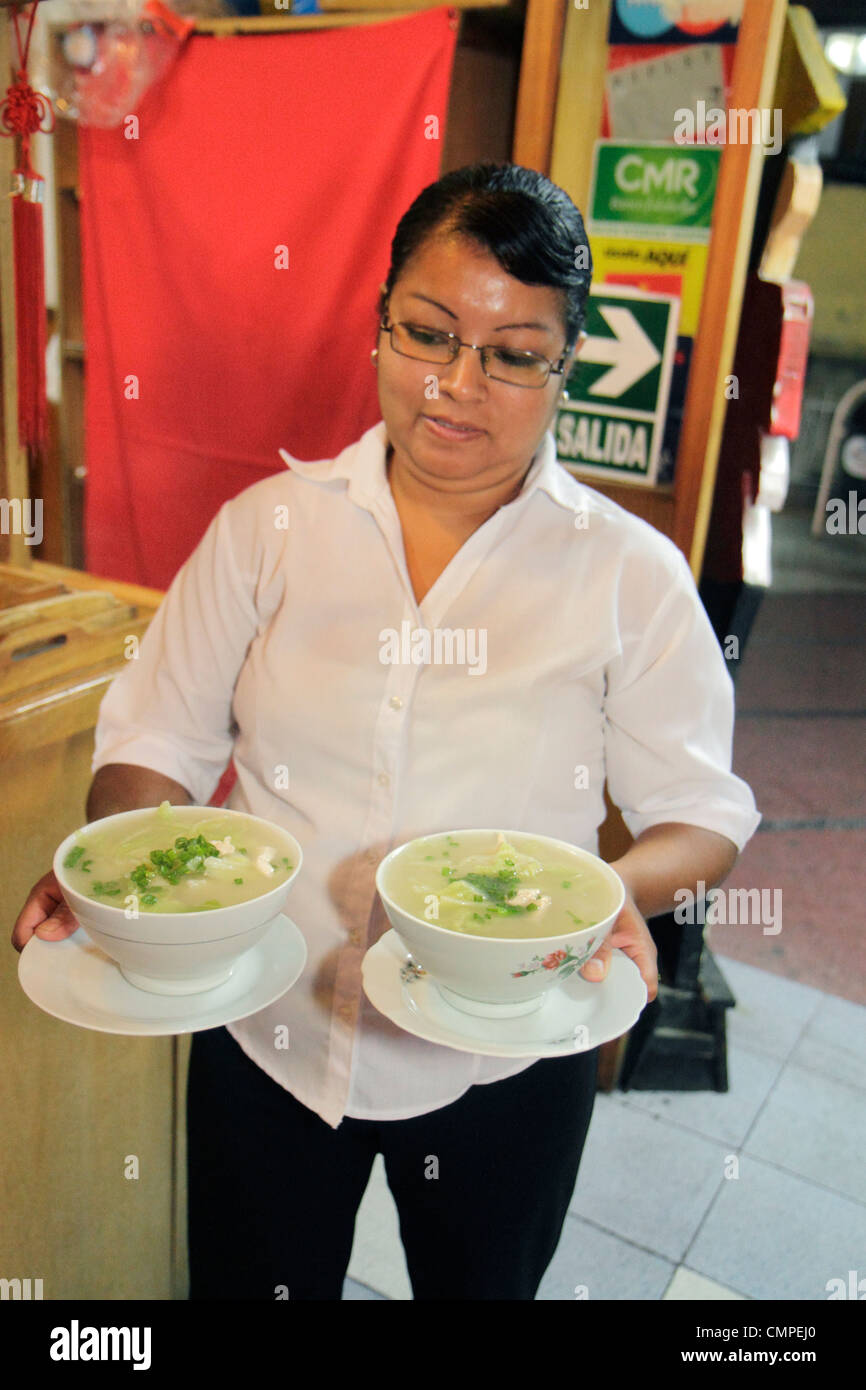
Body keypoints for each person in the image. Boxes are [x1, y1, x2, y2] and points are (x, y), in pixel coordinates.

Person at [12, 162, 760, 1301]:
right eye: (426, 334)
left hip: (505, 1049)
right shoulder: (267, 531)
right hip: (265, 1030)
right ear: (380, 322)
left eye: (512, 355)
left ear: (565, 367)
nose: (455, 385)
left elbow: (700, 817)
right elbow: (149, 744)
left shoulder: (627, 575)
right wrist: (123, 885)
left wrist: (609, 898)